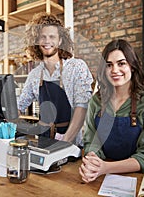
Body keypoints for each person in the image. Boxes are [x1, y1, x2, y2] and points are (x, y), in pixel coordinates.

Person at [79, 39, 144, 182]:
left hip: (137, 179)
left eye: (121, 63)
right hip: (99, 176)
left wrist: (105, 168)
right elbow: (92, 141)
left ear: (132, 66)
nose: (114, 70)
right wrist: (93, 161)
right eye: (109, 65)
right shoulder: (96, 101)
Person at [17, 12, 93, 145]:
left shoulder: (77, 67)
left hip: (71, 140)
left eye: (52, 37)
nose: (47, 41)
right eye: (43, 37)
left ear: (60, 41)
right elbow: (20, 105)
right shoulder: (34, 75)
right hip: (44, 139)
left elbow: (82, 108)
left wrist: (64, 143)